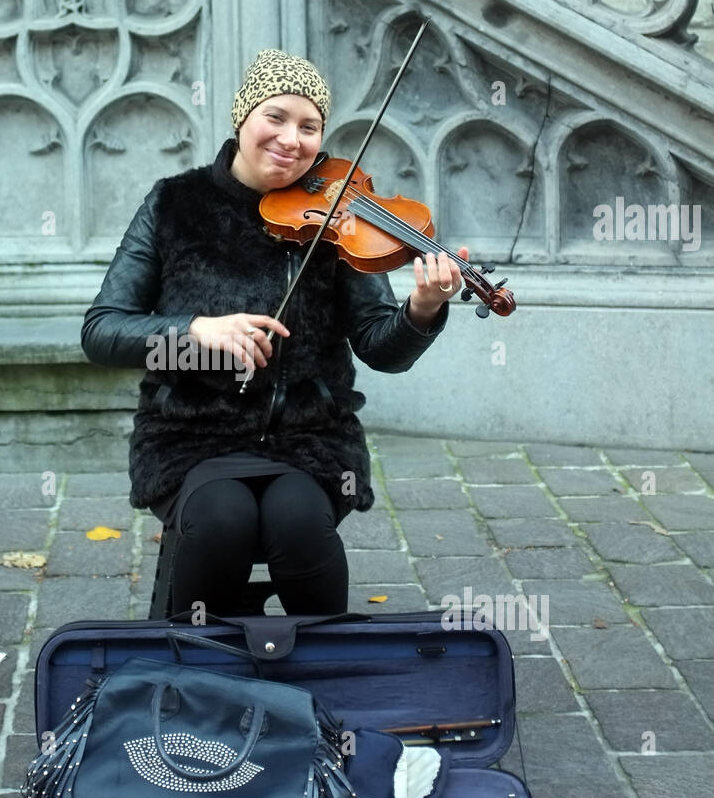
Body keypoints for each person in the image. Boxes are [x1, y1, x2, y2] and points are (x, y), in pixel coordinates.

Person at [81, 49, 468, 616]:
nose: (292, 139)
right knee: (221, 522)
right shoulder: (174, 204)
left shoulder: (341, 217)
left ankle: (320, 679)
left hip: (310, 441)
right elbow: (102, 332)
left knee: (299, 527)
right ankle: (204, 674)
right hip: (191, 438)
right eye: (276, 117)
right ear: (243, 118)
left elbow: (380, 348)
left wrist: (423, 308)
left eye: (309, 126)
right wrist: (195, 332)